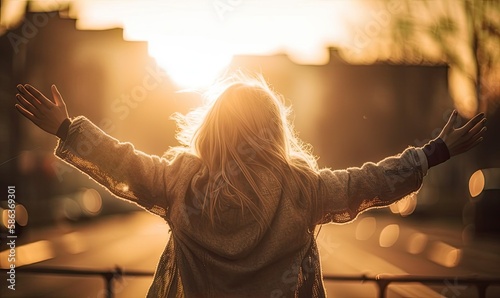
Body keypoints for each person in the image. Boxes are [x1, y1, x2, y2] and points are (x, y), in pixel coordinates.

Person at [14, 74, 486, 298]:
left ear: (214, 127)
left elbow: (123, 162)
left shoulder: (179, 182)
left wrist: (68, 128)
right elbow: (373, 181)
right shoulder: (304, 189)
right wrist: (435, 151)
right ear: (274, 129)